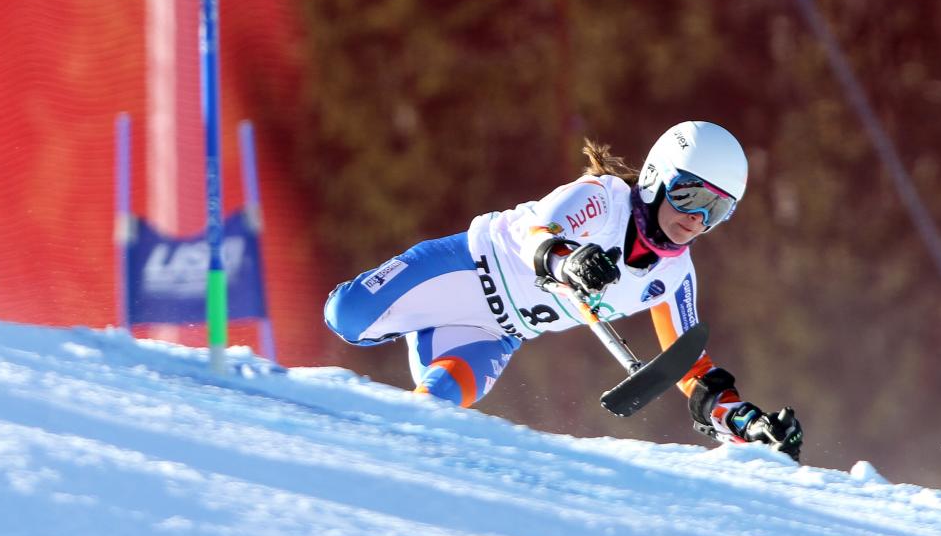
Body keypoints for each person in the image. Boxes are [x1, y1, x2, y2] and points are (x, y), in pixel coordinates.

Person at [323, 120, 803, 460]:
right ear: (657, 177)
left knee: (427, 419)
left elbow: (689, 366)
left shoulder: (676, 276)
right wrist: (568, 258)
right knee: (346, 315)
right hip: (466, 270)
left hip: (496, 333)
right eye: (689, 196)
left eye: (716, 212)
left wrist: (745, 422)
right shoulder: (602, 200)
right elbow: (538, 231)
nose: (696, 220)